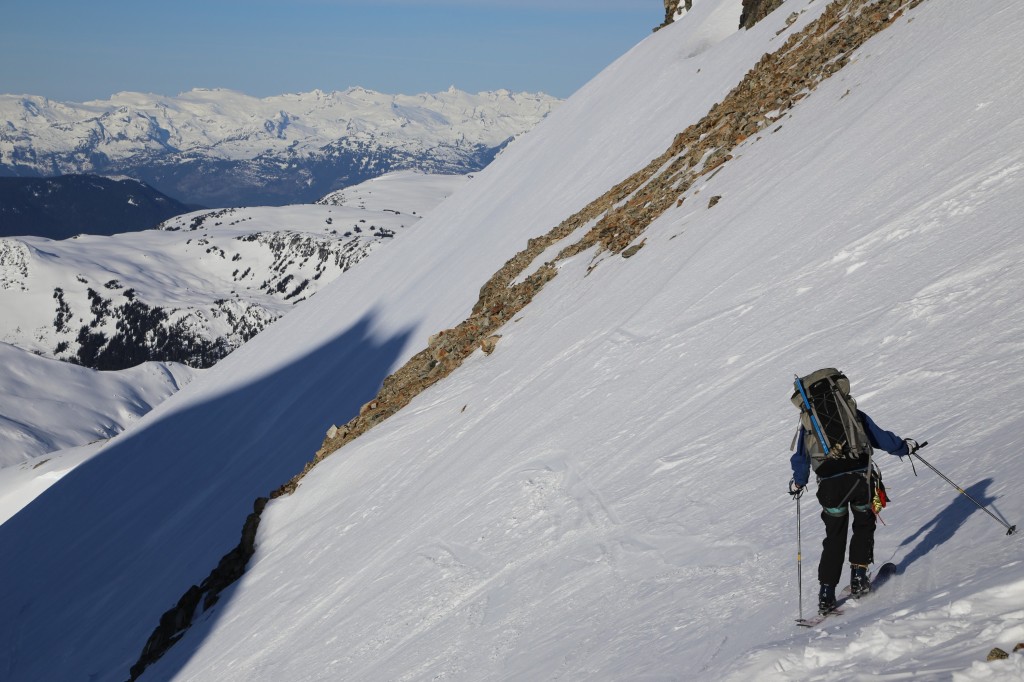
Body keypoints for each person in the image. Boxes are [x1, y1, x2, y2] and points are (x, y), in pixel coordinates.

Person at [789, 400, 917, 614]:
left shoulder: (809, 422)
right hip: (860, 480)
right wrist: (904, 448)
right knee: (864, 525)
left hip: (831, 487)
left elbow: (802, 458)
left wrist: (798, 483)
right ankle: (858, 578)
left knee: (834, 537)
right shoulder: (851, 412)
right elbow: (879, 437)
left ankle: (826, 594)